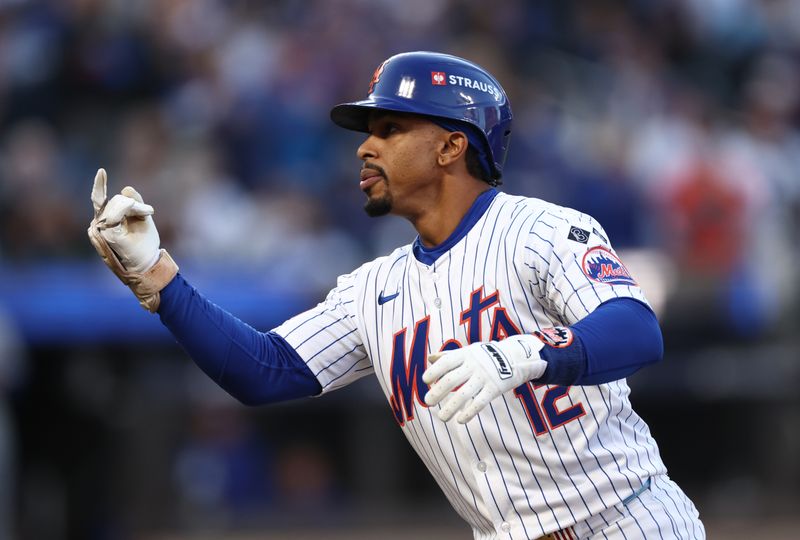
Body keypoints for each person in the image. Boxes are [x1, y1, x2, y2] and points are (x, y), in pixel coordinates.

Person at [88, 51, 705, 540]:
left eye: (390, 128)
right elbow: (265, 371)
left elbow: (635, 328)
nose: (365, 145)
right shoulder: (373, 288)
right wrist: (160, 278)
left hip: (622, 522)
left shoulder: (539, 229)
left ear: (451, 145)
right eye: (368, 131)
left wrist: (520, 355)